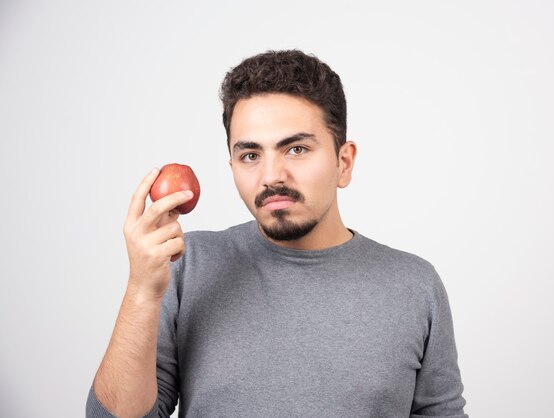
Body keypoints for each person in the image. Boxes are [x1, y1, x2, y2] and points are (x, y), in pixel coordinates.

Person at [86, 50, 468, 418]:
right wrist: (141, 289)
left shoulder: (415, 286)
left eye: (297, 149)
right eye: (251, 155)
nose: (271, 177)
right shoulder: (186, 263)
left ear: (344, 163)